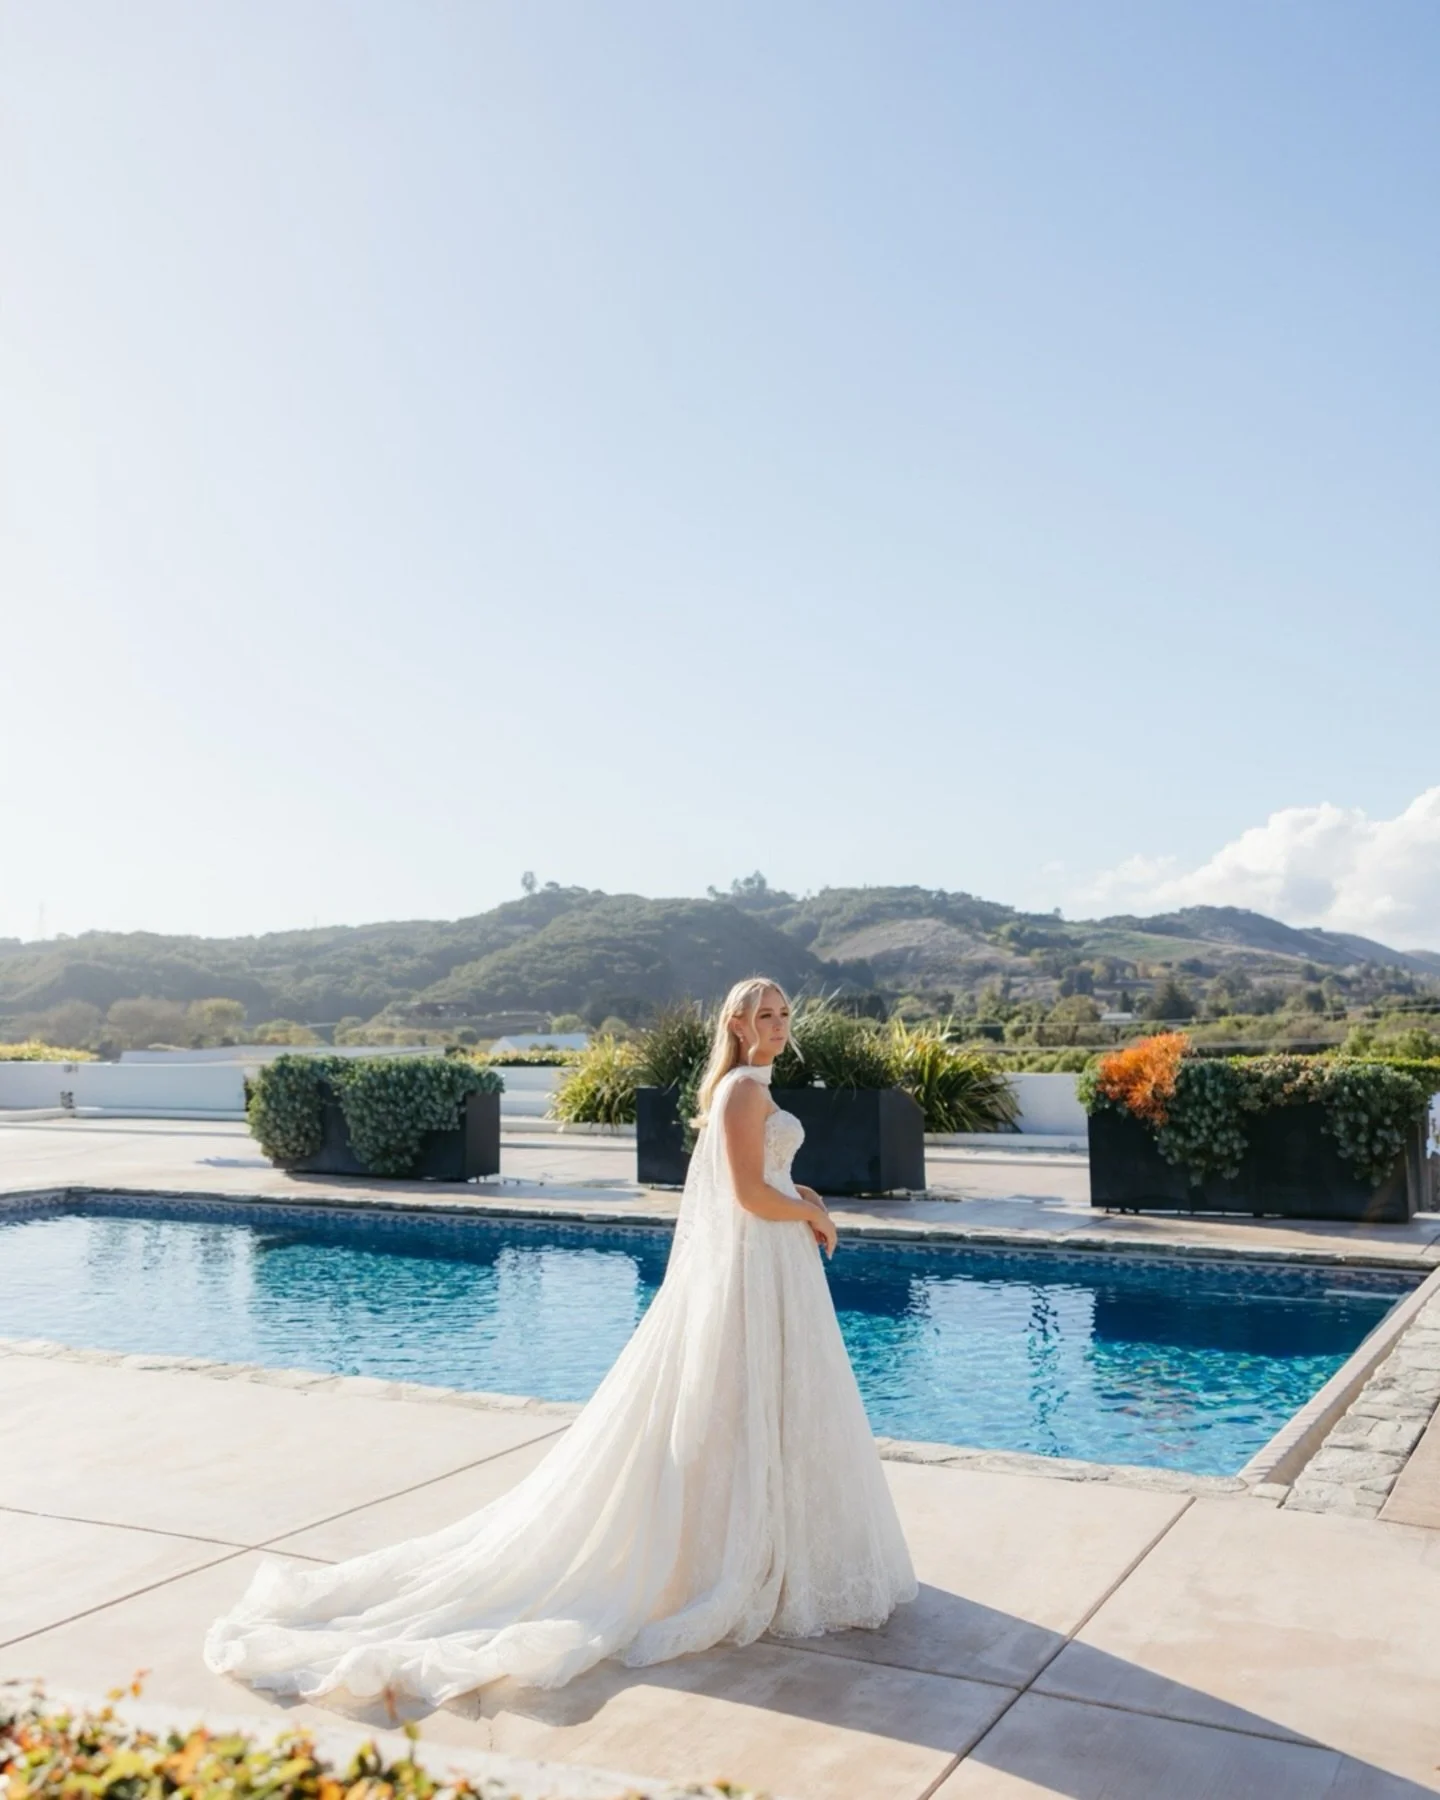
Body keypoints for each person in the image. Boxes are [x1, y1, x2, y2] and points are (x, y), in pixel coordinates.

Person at [204, 976, 916, 1707]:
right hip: (760, 1259)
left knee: (762, 1409)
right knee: (736, 1407)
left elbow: (769, 1179)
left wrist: (803, 1199)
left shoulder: (752, 1087)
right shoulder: (740, 1091)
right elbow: (744, 1193)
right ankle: (723, 1560)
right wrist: (812, 1217)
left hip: (772, 1265)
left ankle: (768, 1546)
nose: (775, 1023)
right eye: (762, 1014)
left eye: (781, 1013)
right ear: (735, 1025)